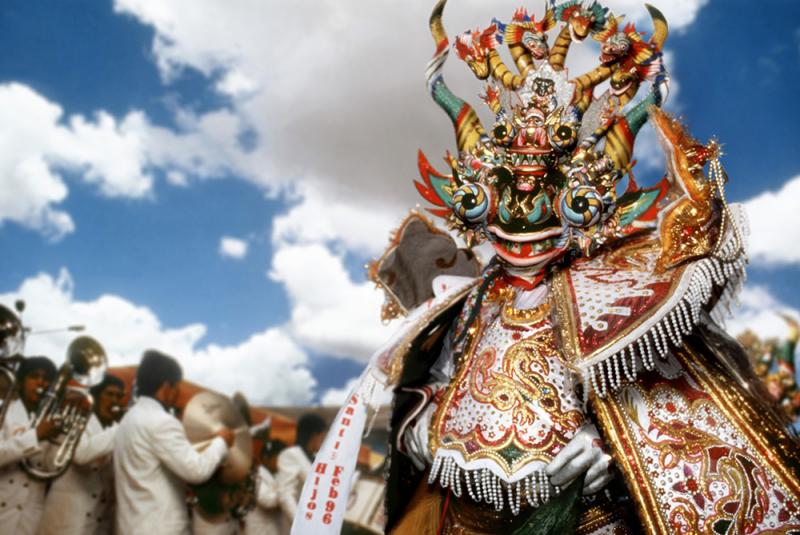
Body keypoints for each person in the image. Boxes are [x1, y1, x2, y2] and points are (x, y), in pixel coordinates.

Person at [293, 1, 800, 533]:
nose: (525, 203)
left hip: (584, 517)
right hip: (462, 510)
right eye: (507, 185)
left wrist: (611, 452)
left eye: (548, 187)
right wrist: (418, 426)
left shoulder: (615, 289)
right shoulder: (468, 304)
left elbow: (659, 406)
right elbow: (432, 381)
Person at [114, 350, 234, 535]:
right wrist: (221, 441)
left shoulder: (128, 419)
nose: (178, 393)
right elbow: (196, 471)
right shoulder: (162, 421)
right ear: (166, 386)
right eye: (177, 386)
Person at [38, 373, 126, 535]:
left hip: (95, 525)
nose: (115, 400)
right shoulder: (77, 420)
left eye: (119, 396)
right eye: (109, 394)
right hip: (64, 522)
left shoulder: (114, 431)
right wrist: (123, 426)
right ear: (97, 397)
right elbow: (81, 455)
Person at [0, 355, 58, 534]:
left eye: (47, 379)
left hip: (31, 517)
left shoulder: (51, 420)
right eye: (34, 376)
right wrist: (36, 436)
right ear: (21, 383)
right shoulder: (4, 413)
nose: (42, 383)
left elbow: (52, 468)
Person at [276, 414, 326, 524]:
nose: (324, 441)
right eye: (322, 437)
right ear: (314, 435)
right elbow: (286, 495)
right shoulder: (291, 454)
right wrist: (301, 526)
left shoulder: (316, 459)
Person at [244, 439, 287, 535]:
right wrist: (287, 490)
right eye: (282, 457)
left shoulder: (277, 475)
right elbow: (268, 501)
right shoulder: (254, 476)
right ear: (267, 458)